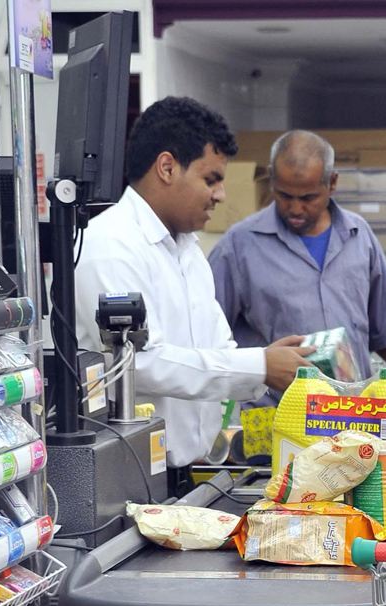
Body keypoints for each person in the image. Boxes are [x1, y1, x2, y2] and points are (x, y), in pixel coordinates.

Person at [75, 97, 313, 470]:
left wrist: (267, 361)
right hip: (132, 477)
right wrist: (259, 366)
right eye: (211, 180)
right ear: (167, 167)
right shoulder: (108, 248)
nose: (220, 195)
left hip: (195, 469)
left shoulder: (188, 251)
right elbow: (138, 363)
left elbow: (218, 347)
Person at [210, 130, 386, 400]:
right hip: (277, 419)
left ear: (331, 183)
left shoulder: (359, 236)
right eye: (284, 196)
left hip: (353, 418)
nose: (295, 209)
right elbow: (207, 345)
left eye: (308, 198)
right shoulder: (238, 246)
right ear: (271, 178)